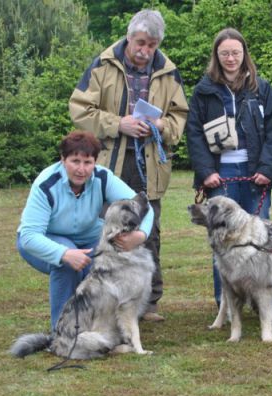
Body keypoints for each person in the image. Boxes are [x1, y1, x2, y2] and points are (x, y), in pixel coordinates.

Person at [69, 9, 188, 322]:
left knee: (150, 234)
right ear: (128, 36)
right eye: (140, 42)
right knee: (105, 231)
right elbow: (79, 108)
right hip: (110, 163)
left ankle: (147, 303)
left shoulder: (168, 71)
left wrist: (160, 125)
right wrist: (117, 123)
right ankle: (100, 297)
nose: (144, 51)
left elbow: (180, 118)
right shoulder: (103, 64)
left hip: (150, 167)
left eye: (151, 45)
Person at [16, 130, 154, 330]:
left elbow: (143, 207)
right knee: (67, 265)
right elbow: (29, 236)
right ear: (63, 160)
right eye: (75, 161)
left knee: (115, 260)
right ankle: (64, 331)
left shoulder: (103, 178)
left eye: (88, 162)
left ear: (95, 162)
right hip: (44, 240)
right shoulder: (46, 184)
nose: (81, 169)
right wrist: (63, 253)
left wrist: (140, 235)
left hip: (90, 239)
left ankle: (105, 325)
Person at [186, 28, 272, 306]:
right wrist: (207, 172)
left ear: (244, 55)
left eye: (236, 53)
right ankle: (226, 303)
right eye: (225, 53)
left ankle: (264, 300)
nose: (231, 58)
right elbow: (193, 133)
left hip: (255, 175)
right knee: (223, 240)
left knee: (260, 237)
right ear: (217, 56)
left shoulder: (261, 88)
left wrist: (267, 168)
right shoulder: (203, 91)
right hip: (221, 176)